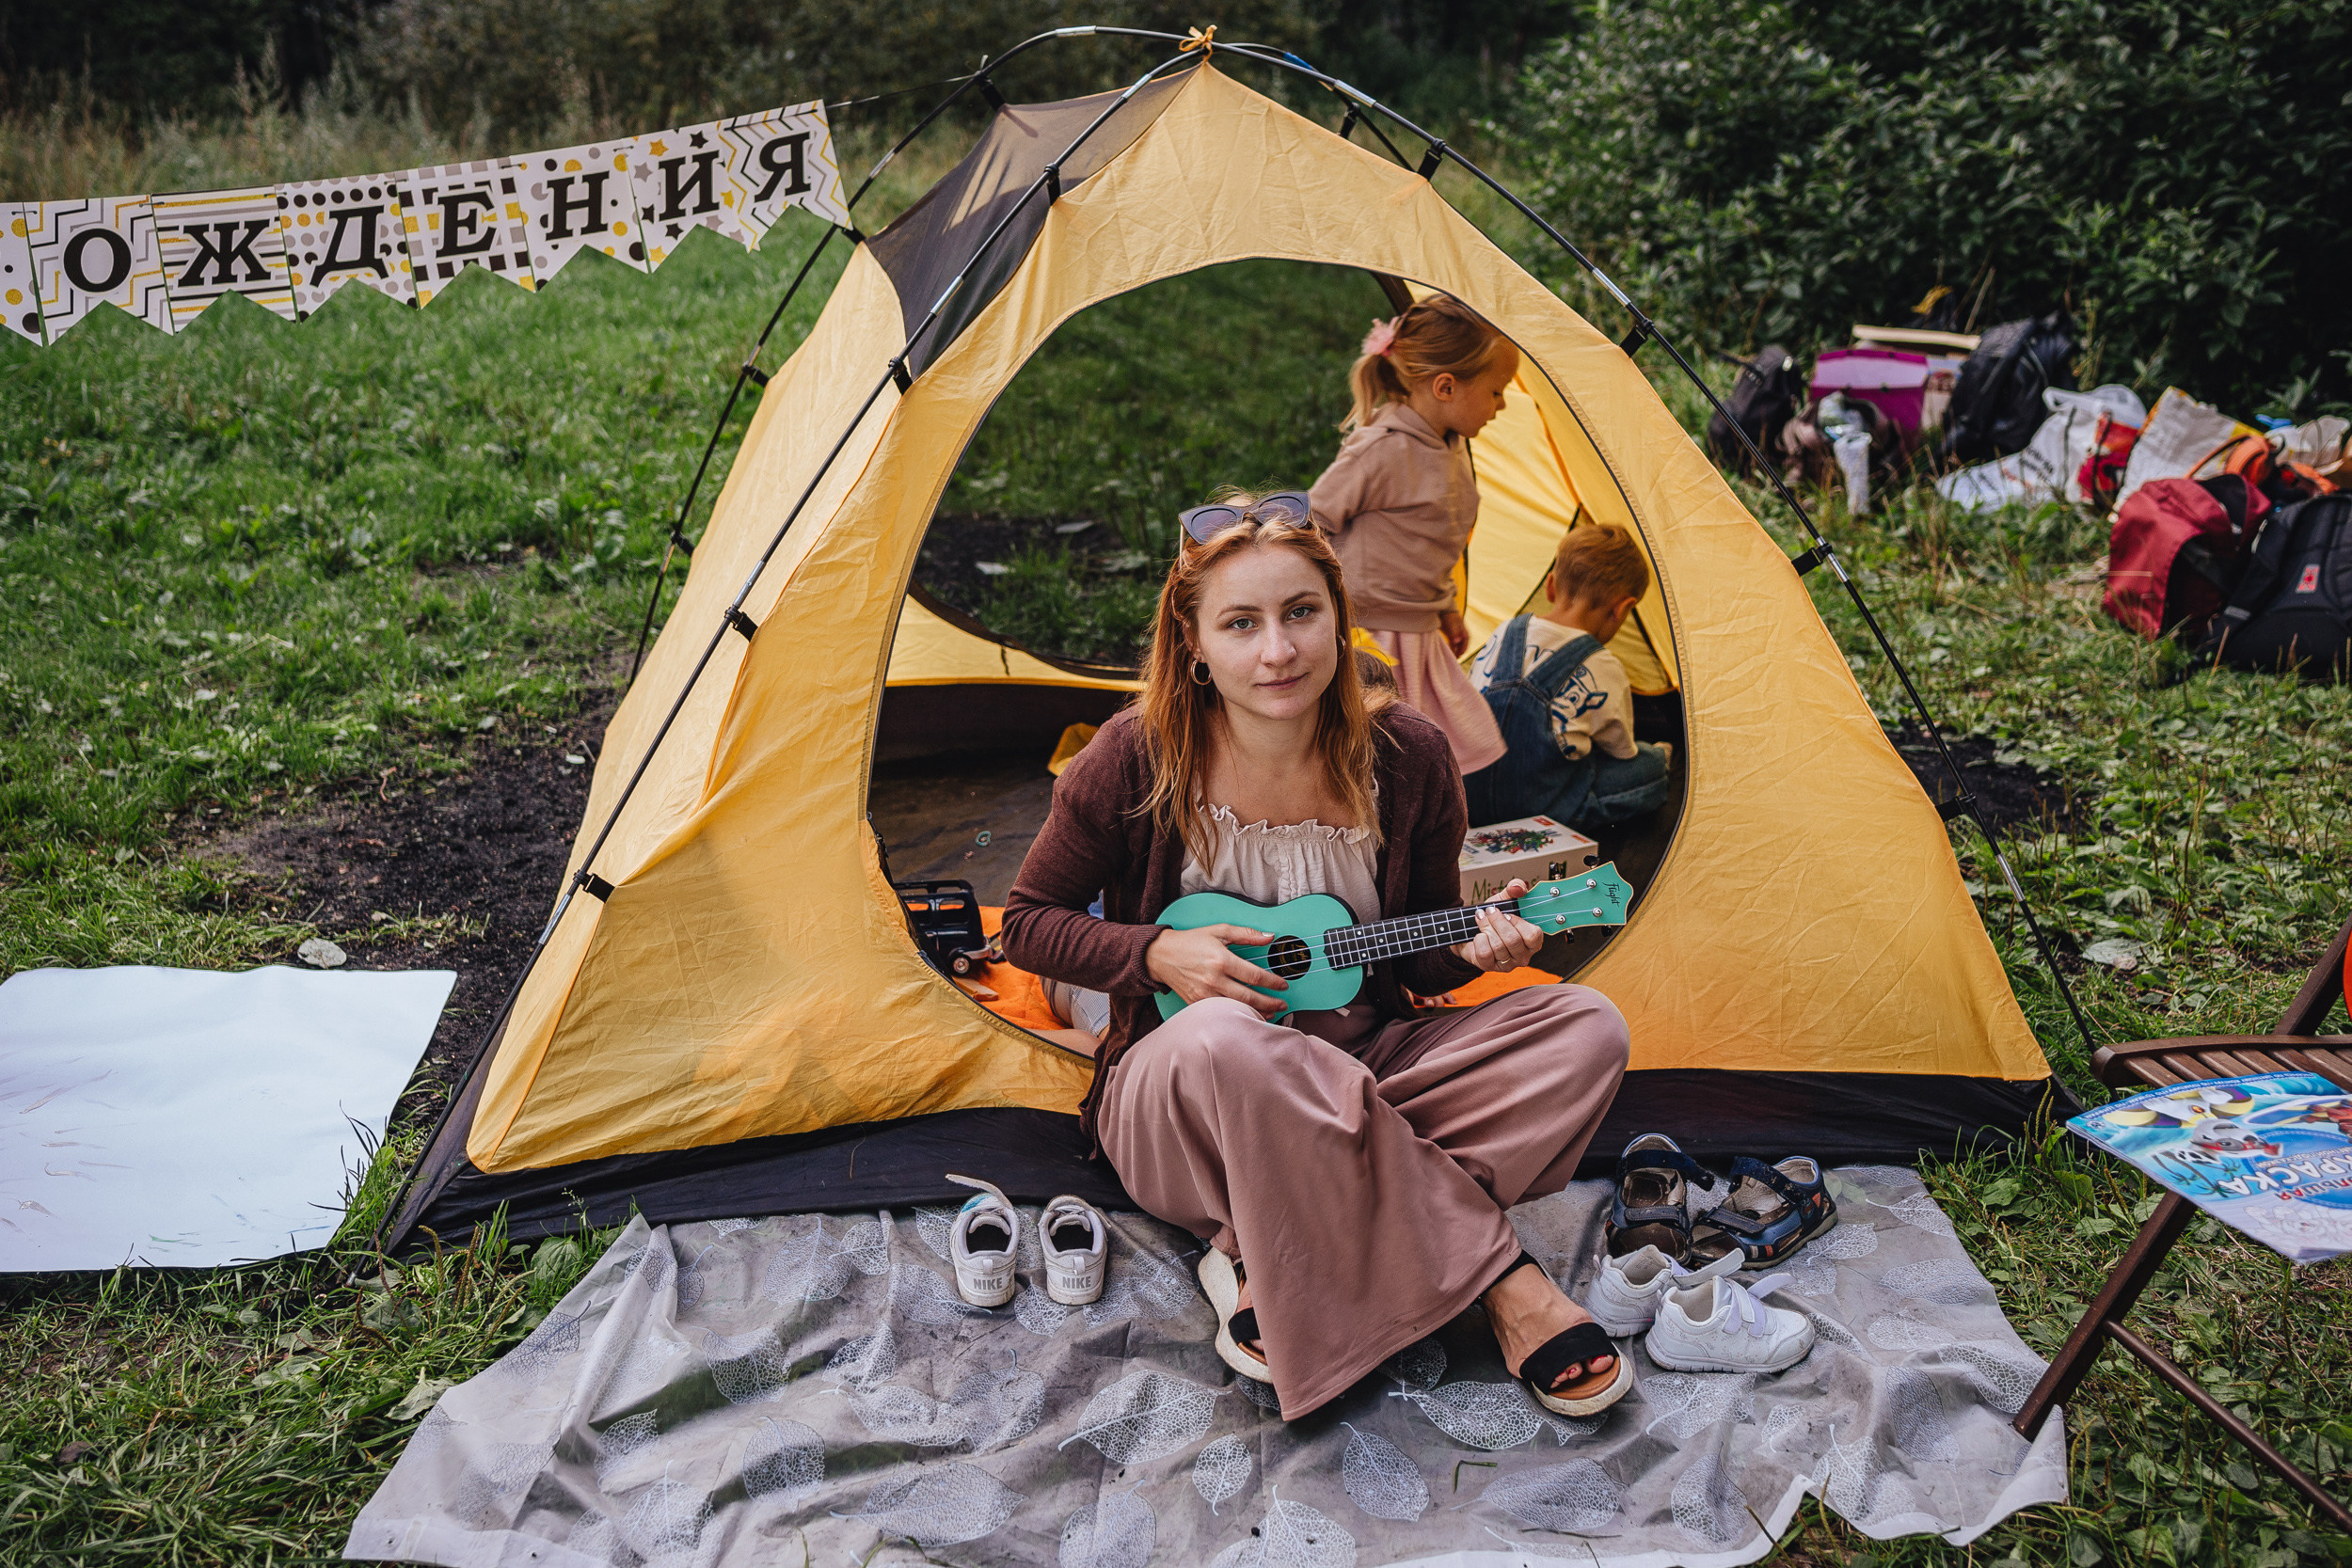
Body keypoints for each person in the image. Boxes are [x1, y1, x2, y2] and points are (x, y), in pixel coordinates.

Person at [1002, 494, 1633, 1421]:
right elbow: (1026, 924)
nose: (1278, 650)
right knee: (1227, 1034)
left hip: (1367, 1064)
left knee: (1587, 1027)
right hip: (1185, 1099)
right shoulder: (1134, 756)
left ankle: (1263, 1243)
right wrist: (1158, 952)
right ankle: (1502, 1278)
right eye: (1241, 623)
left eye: (1301, 612)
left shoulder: (1410, 756)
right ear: (1193, 642)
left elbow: (1419, 958)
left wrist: (1479, 946)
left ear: (1338, 617)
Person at [1308, 294, 1518, 775]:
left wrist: (1446, 607)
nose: (1502, 404)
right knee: (1376, 754)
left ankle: (1428, 813)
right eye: (1496, 391)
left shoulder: (1452, 445)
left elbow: (1429, 541)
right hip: (1370, 636)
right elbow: (1311, 518)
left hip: (1419, 633)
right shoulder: (1383, 450)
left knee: (1442, 745)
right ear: (1446, 387)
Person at [1464, 522, 1674, 831]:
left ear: (1550, 585)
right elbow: (1620, 750)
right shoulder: (1603, 665)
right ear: (1622, 609)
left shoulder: (1505, 631)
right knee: (1649, 769)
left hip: (1468, 797)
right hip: (1544, 811)